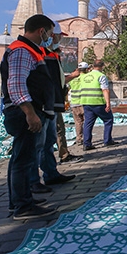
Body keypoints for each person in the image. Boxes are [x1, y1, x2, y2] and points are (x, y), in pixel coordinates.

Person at [0, 14, 57, 220]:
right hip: (24, 112)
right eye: (49, 33)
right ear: (41, 31)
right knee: (23, 160)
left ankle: (19, 201)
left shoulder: (30, 50)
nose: (50, 37)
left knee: (20, 157)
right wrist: (30, 113)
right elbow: (16, 85)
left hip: (27, 111)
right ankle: (23, 206)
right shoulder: (23, 51)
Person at [29, 22, 78, 194]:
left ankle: (50, 173)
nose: (57, 39)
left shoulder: (51, 55)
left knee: (48, 141)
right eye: (56, 35)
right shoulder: (39, 54)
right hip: (41, 106)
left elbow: (56, 82)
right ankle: (33, 181)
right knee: (38, 144)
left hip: (51, 105)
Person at [50, 22, 83, 164]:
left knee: (58, 130)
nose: (60, 40)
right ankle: (61, 157)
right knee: (55, 132)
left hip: (55, 102)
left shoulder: (53, 56)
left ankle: (58, 160)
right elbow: (57, 80)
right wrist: (74, 76)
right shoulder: (47, 56)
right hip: (48, 103)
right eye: (58, 36)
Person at [80, 60, 118, 151]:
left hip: (86, 102)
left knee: (88, 123)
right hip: (98, 102)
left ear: (93, 66)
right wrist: (108, 103)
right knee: (108, 119)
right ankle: (107, 140)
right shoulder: (101, 76)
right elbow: (105, 90)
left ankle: (87, 143)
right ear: (102, 67)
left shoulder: (85, 76)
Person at [68, 62, 90, 145]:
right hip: (84, 102)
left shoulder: (72, 78)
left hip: (74, 102)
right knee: (87, 121)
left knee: (78, 122)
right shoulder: (86, 77)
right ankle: (87, 138)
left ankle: (79, 138)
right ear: (87, 69)